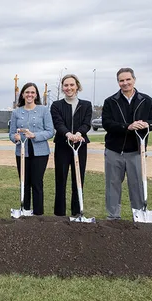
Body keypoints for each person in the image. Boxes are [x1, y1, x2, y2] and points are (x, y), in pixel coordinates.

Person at [102, 68, 152, 220]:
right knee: (112, 185)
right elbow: (107, 123)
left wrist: (147, 124)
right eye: (121, 80)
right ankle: (113, 217)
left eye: (128, 79)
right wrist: (126, 127)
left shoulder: (145, 100)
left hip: (136, 150)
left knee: (137, 186)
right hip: (114, 150)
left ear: (134, 80)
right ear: (118, 82)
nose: (125, 83)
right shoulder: (110, 101)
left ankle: (139, 215)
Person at [50, 74, 92, 217]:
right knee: (60, 180)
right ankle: (59, 214)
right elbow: (58, 123)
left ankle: (77, 213)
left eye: (71, 85)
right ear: (63, 87)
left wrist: (79, 133)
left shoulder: (86, 105)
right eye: (66, 85)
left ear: (77, 86)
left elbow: (87, 123)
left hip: (80, 146)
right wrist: (68, 134)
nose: (69, 88)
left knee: (78, 179)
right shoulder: (56, 105)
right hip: (63, 145)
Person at [9, 82, 54, 215]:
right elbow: (11, 133)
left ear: (36, 95)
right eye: (27, 92)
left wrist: (35, 135)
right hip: (22, 151)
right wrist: (15, 137)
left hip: (40, 152)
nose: (30, 95)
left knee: (37, 182)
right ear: (22, 94)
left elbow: (50, 131)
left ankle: (38, 214)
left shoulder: (44, 110)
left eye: (32, 92)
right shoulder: (16, 112)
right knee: (24, 181)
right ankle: (25, 210)